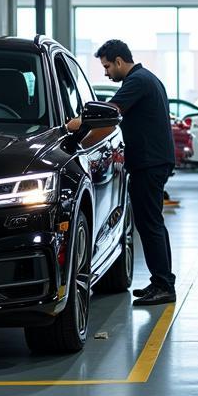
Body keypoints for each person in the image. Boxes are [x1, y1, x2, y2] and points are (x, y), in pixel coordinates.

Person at [67, 39, 176, 306]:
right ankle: (161, 281)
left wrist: (77, 123)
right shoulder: (148, 78)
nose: (105, 72)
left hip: (149, 163)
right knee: (153, 223)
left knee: (149, 224)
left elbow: (112, 110)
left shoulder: (136, 81)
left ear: (118, 61)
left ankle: (163, 285)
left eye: (106, 67)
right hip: (153, 161)